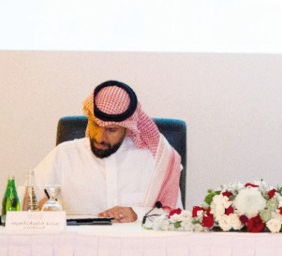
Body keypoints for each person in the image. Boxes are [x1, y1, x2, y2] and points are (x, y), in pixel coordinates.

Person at [32, 80, 182, 222]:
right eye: (95, 125)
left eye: (111, 130)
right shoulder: (65, 155)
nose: (99, 137)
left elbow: (176, 215)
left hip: (135, 246)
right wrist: (40, 205)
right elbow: (25, 194)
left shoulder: (153, 160)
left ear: (127, 128)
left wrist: (137, 213)